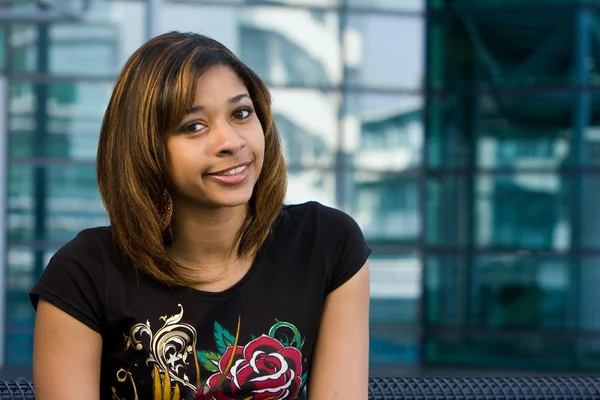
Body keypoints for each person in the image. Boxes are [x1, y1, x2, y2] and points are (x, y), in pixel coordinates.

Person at [29, 31, 371, 400]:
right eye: (193, 126)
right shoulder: (83, 273)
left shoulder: (327, 244)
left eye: (241, 113)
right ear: (147, 149)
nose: (231, 142)